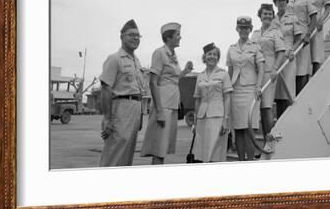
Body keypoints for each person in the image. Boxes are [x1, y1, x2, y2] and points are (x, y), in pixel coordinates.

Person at [141, 22, 193, 165]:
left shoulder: (172, 55)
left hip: (172, 104)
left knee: (163, 149)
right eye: (177, 35)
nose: (180, 37)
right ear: (169, 37)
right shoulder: (160, 53)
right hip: (163, 105)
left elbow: (173, 79)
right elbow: (153, 82)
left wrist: (185, 71)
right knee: (159, 148)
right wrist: (159, 111)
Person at [99, 19, 148, 167]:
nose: (135, 38)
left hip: (134, 110)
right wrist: (107, 118)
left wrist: (139, 116)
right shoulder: (114, 59)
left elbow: (138, 91)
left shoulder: (136, 61)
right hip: (120, 109)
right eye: (131, 35)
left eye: (138, 36)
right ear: (121, 37)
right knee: (115, 152)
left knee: (127, 155)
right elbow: (106, 89)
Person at [226, 16, 265, 161]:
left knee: (250, 129)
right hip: (235, 90)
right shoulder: (231, 49)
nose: (244, 30)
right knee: (239, 129)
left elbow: (261, 68)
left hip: (250, 90)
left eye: (246, 28)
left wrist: (258, 86)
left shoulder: (255, 46)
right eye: (241, 28)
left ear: (250, 29)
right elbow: (230, 71)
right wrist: (228, 90)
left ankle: (250, 161)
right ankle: (241, 161)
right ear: (237, 29)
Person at [191, 43, 232, 162]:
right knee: (202, 151)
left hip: (217, 115)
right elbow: (197, 99)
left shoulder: (223, 74)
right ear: (204, 57)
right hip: (202, 117)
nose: (212, 57)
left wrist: (225, 119)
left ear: (218, 58)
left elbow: (227, 97)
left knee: (215, 151)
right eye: (209, 54)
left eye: (215, 54)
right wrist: (195, 122)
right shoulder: (200, 76)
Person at [251, 4, 286, 140]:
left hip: (268, 73)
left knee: (266, 107)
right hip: (254, 73)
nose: (267, 16)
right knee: (257, 108)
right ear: (260, 16)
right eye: (265, 14)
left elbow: (281, 52)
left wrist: (275, 69)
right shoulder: (255, 34)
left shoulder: (276, 32)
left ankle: (269, 140)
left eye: (270, 14)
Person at [272, 0, 303, 118]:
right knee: (278, 91)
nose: (281, 2)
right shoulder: (272, 20)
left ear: (286, 1)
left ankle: (290, 118)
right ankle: (279, 119)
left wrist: (293, 51)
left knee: (288, 89)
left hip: (288, 57)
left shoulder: (293, 18)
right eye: (278, 0)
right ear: (275, 2)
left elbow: (299, 38)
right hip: (275, 58)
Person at [288, 0, 317, 95]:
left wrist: (308, 34)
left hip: (303, 35)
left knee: (302, 66)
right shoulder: (289, 0)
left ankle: (302, 94)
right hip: (291, 36)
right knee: (292, 66)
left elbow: (314, 17)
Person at [304, 0, 330, 75]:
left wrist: (322, 20)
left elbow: (327, 8)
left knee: (316, 54)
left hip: (316, 25)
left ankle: (316, 76)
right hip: (305, 25)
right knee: (306, 54)